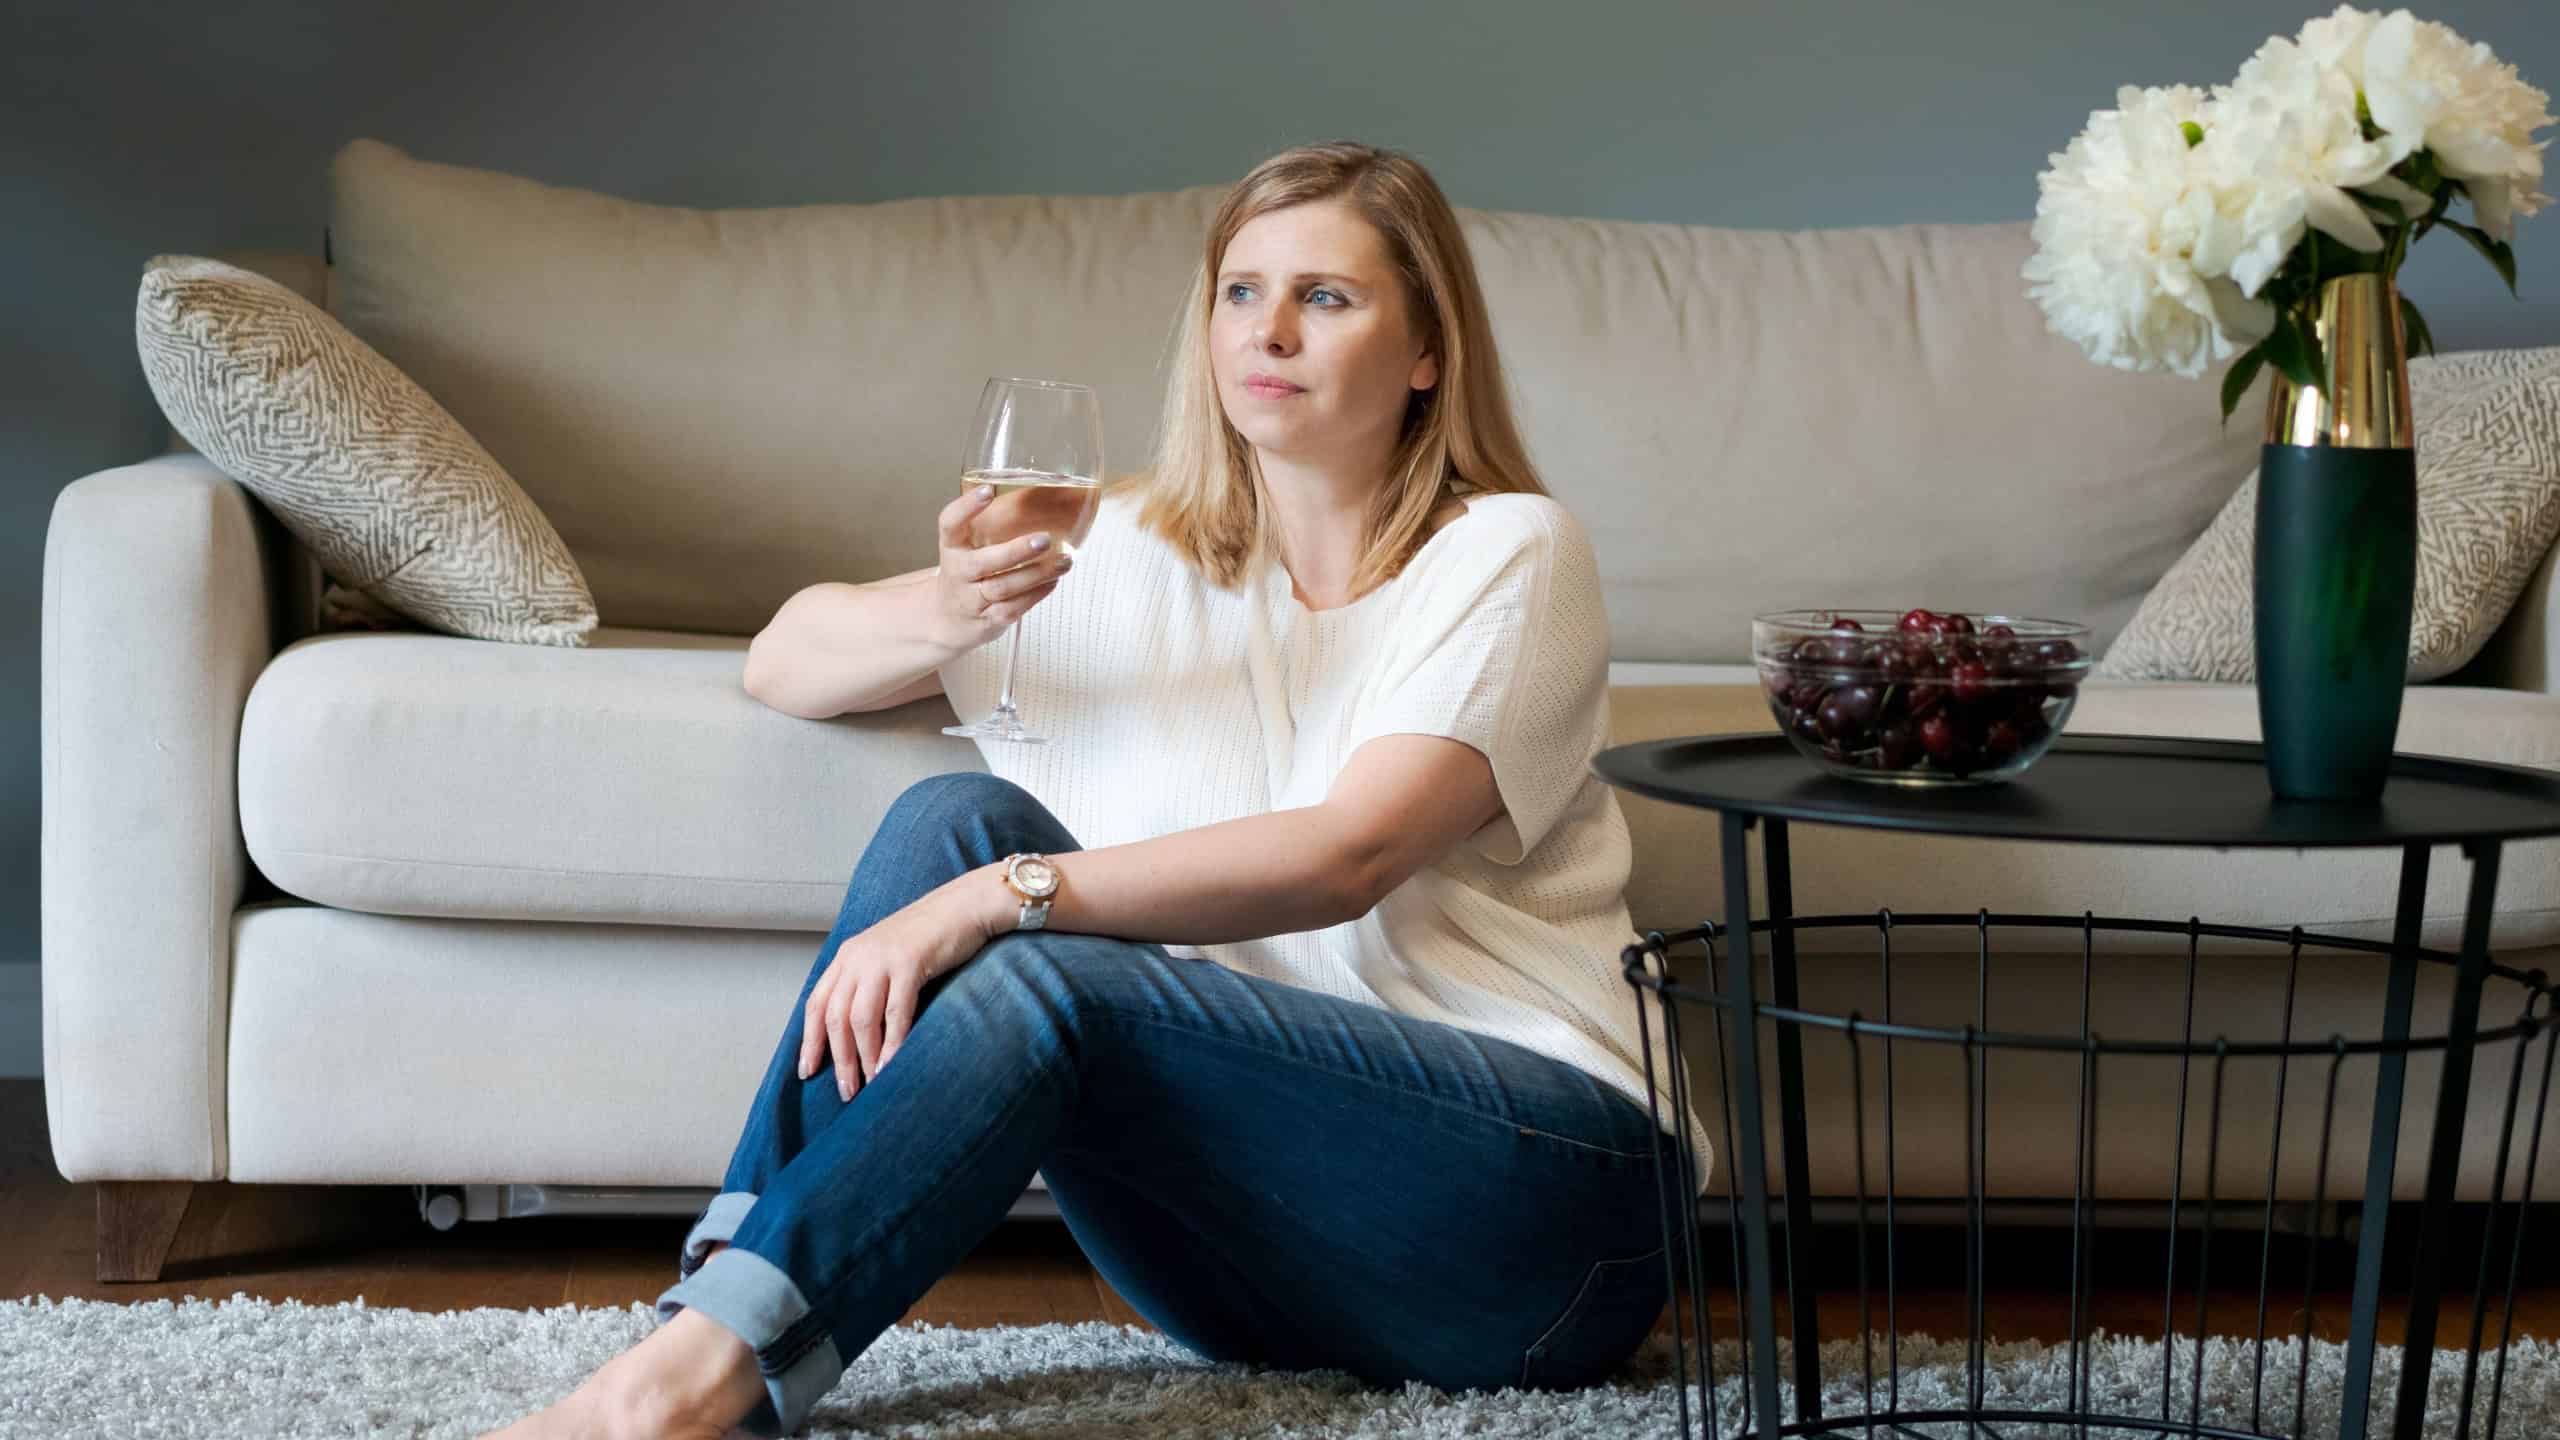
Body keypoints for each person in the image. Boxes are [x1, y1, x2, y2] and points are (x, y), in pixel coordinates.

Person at [483, 139, 1713, 1440]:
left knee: (1030, 946)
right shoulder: (1123, 549)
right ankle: (712, 1330)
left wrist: (1000, 903)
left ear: (1426, 352)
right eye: (1240, 291)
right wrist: (953, 606)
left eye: (1327, 297)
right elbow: (787, 663)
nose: (1271, 330)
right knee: (946, 824)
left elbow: (1353, 852)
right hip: (1257, 1269)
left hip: (1551, 1224)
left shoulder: (1510, 552)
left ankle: (684, 1386)